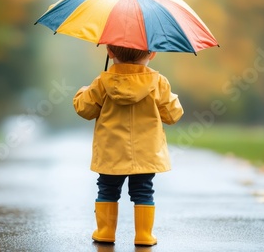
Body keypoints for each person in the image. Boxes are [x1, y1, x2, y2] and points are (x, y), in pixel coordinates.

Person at [73, 45, 184, 246]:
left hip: (110, 151)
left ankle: (105, 231)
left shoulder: (103, 81)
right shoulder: (159, 82)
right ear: (153, 53)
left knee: (107, 189)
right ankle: (143, 235)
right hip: (145, 153)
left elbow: (85, 109)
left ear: (110, 51)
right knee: (143, 190)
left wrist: (84, 92)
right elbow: (172, 114)